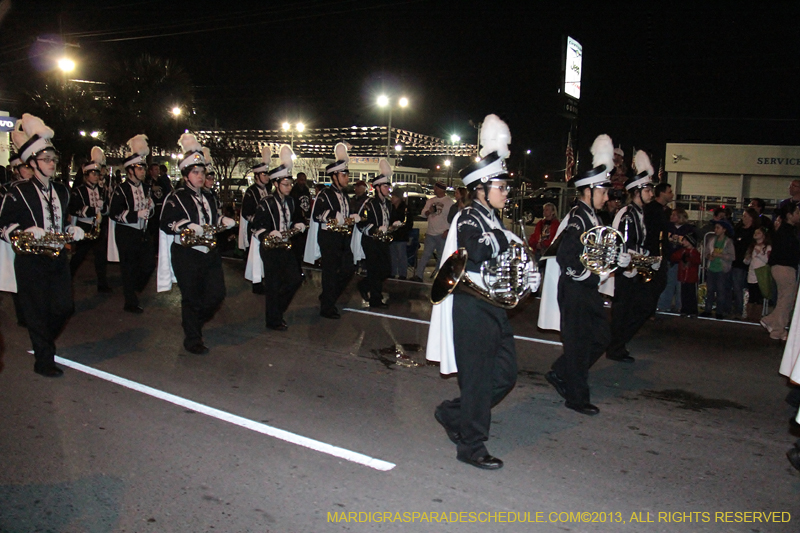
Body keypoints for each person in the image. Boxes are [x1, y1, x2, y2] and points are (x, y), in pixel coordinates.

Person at [428, 114, 538, 469]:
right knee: (477, 381)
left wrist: (527, 275)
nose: (506, 192)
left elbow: (504, 255)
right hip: (472, 309)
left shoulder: (493, 218)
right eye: (501, 187)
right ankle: (471, 446)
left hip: (494, 308)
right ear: (481, 187)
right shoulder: (468, 218)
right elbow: (479, 250)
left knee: (505, 375)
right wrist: (509, 241)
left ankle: (452, 412)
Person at [543, 134, 631, 415]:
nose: (607, 197)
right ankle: (576, 397)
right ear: (589, 190)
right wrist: (583, 275)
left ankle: (560, 372)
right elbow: (566, 257)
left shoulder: (593, 217)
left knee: (601, 338)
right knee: (580, 343)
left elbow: (599, 252)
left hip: (588, 289)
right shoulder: (577, 218)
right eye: (603, 191)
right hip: (576, 289)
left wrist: (617, 259)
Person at [0, 113, 86, 377]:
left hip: (58, 258)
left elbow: (63, 220)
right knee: (36, 311)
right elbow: (3, 224)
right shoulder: (18, 191)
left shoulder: (62, 190)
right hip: (31, 261)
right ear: (32, 162)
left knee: (64, 307)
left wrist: (72, 229)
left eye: (53, 159)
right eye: (46, 159)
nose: (51, 163)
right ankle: (43, 359)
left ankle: (44, 342)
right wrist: (25, 232)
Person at [157, 133, 236, 354]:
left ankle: (192, 323)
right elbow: (165, 222)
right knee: (191, 297)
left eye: (202, 172)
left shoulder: (210, 197)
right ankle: (193, 338)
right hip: (186, 253)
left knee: (216, 294)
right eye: (195, 172)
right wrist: (188, 226)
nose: (200, 176)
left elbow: (213, 219)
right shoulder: (176, 196)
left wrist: (223, 220)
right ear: (185, 174)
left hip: (209, 251)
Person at [606, 151, 658, 364]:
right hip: (625, 272)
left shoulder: (637, 212)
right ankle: (615, 346)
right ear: (637, 191)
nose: (651, 193)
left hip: (633, 270)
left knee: (636, 309)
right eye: (648, 189)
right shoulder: (628, 214)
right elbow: (626, 247)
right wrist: (646, 260)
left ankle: (616, 344)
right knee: (624, 312)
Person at [248, 145, 305, 331]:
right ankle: (273, 319)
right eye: (285, 184)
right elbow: (255, 226)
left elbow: (297, 218)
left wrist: (299, 224)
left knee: (294, 279)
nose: (289, 187)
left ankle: (276, 310)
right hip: (270, 247)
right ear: (276, 184)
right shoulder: (266, 202)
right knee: (273, 284)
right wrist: (268, 233)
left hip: (286, 245)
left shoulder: (291, 200)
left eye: (290, 183)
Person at [311, 143, 360, 319]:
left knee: (348, 269)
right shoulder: (325, 194)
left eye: (347, 174)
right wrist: (334, 215)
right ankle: (327, 306)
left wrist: (353, 217)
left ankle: (328, 296)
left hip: (343, 237)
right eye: (344, 174)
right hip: (329, 237)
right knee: (330, 273)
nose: (347, 178)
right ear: (334, 176)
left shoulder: (345, 196)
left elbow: (346, 216)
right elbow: (317, 214)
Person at [109, 134, 156, 313]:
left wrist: (150, 209)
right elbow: (114, 213)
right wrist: (136, 214)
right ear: (130, 170)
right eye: (140, 168)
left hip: (142, 232)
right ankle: (130, 301)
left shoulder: (146, 188)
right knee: (128, 268)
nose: (143, 171)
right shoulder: (121, 189)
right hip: (126, 233)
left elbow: (148, 210)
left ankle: (133, 288)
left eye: (144, 168)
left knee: (148, 264)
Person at [356, 160, 399, 308]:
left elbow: (388, 221)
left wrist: (393, 225)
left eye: (388, 186)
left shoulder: (388, 204)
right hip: (371, 241)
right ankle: (375, 299)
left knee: (385, 270)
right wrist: (375, 229)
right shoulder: (369, 203)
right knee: (375, 270)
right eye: (386, 186)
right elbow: (361, 222)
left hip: (383, 241)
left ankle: (363, 285)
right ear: (378, 188)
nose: (388, 189)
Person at [68, 146, 111, 292]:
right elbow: (76, 209)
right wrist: (93, 210)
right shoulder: (78, 191)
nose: (96, 176)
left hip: (97, 227)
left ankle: (102, 284)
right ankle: (67, 278)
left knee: (100, 257)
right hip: (84, 227)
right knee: (79, 256)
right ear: (86, 175)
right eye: (93, 173)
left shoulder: (101, 190)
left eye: (97, 173)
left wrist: (103, 207)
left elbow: (106, 210)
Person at [760, 204, 800, 340]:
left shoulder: (784, 230)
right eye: (797, 212)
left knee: (785, 298)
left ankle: (774, 323)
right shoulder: (788, 232)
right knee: (786, 300)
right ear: (789, 215)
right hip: (785, 267)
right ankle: (777, 328)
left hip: (780, 267)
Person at [240, 147, 272, 293]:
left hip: (265, 228)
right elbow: (246, 212)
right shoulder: (251, 191)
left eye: (267, 174)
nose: (267, 177)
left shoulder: (266, 190)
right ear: (257, 176)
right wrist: (257, 221)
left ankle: (263, 280)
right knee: (255, 256)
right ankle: (256, 284)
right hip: (254, 228)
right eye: (264, 174)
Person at [411, 181, 454, 282]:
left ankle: (439, 277)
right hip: (430, 233)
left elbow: (453, 218)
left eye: (436, 188)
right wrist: (429, 211)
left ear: (441, 189)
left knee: (441, 256)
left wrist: (448, 230)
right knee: (425, 255)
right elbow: (423, 214)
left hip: (442, 233)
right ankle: (418, 275)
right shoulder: (431, 201)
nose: (434, 189)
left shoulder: (449, 202)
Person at [644, 181, 673, 312]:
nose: (671, 195)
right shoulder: (651, 209)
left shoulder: (664, 211)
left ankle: (651, 310)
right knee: (654, 282)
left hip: (660, 251)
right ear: (662, 193)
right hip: (652, 251)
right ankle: (648, 310)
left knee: (660, 282)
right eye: (669, 192)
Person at [658, 208, 694, 312]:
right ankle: (664, 305)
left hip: (682, 260)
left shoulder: (688, 229)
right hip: (669, 258)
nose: (671, 217)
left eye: (674, 215)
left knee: (680, 284)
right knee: (668, 283)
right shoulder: (668, 227)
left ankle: (680, 306)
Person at [700, 219, 735, 319]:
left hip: (722, 269)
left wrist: (720, 255)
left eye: (718, 228)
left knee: (721, 291)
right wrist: (708, 256)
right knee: (710, 290)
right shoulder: (712, 240)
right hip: (712, 267)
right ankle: (708, 309)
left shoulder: (728, 242)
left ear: (724, 230)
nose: (715, 230)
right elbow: (706, 252)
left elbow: (732, 256)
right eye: (715, 228)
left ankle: (719, 311)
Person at [731, 208, 759, 319]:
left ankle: (743, 309)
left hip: (747, 263)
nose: (743, 218)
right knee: (736, 286)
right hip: (736, 261)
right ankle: (738, 308)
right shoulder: (738, 229)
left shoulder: (754, 232)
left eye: (746, 216)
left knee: (742, 287)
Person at [743, 227, 771, 322]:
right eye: (755, 232)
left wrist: (759, 254)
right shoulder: (752, 246)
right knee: (751, 296)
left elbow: (768, 260)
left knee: (759, 296)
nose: (756, 234)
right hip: (752, 274)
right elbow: (747, 262)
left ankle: (757, 316)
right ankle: (749, 315)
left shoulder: (767, 247)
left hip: (761, 274)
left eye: (758, 232)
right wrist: (747, 258)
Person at [672, 234, 701, 316]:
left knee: (691, 294)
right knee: (684, 294)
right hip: (683, 276)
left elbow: (696, 261)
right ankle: (685, 309)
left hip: (690, 277)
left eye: (685, 240)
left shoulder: (694, 252)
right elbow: (674, 257)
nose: (683, 242)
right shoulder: (683, 251)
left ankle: (692, 310)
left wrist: (688, 258)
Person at [388, 187, 413, 279]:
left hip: (401, 236)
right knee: (393, 255)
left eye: (393, 196)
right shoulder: (391, 208)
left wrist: (400, 228)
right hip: (392, 235)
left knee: (401, 255)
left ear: (398, 197)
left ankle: (403, 274)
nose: (392, 198)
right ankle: (393, 272)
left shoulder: (405, 208)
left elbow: (409, 223)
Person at [290, 171, 312, 267]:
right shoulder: (293, 191)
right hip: (296, 221)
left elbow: (308, 205)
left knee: (303, 245)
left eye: (304, 180)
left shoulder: (306, 191)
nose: (303, 182)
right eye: (301, 179)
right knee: (296, 246)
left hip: (305, 221)